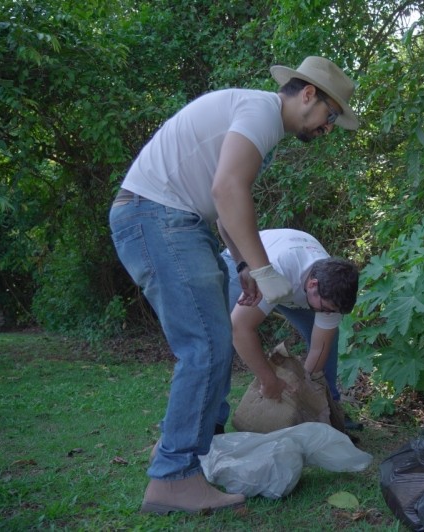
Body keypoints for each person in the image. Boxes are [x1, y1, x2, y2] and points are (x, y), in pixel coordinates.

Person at [109, 56, 360, 515]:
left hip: (175, 220)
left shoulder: (258, 119)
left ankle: (180, 452)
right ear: (308, 94)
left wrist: (243, 263)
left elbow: (224, 202)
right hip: (159, 217)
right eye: (330, 115)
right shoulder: (261, 111)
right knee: (206, 348)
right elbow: (227, 190)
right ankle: (173, 478)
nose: (328, 128)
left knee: (213, 344)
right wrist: (265, 271)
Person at [217, 228, 359, 429]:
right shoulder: (279, 270)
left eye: (332, 311)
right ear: (313, 284)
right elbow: (240, 329)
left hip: (293, 285)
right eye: (326, 309)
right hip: (245, 264)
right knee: (220, 340)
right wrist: (268, 380)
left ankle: (328, 410)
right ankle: (213, 420)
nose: (327, 313)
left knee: (329, 338)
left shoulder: (333, 294)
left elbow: (319, 349)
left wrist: (304, 391)